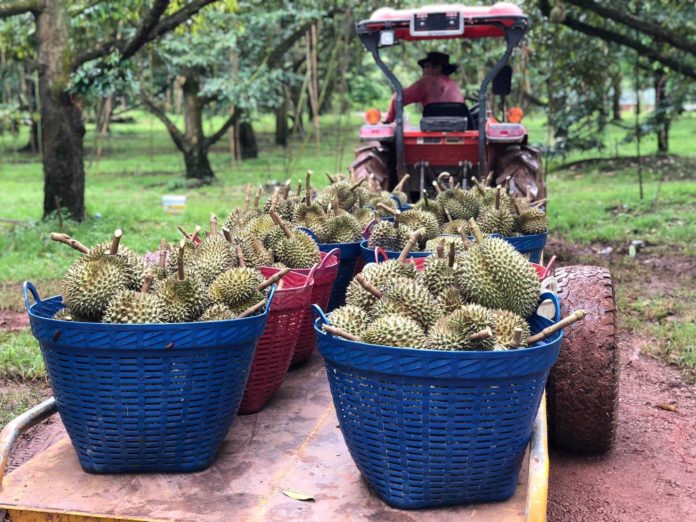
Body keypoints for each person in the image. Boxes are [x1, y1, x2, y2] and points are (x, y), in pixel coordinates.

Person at [383, 51, 464, 123]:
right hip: (458, 129)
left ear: (438, 68)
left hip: (433, 129)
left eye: (426, 66)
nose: (423, 70)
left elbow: (398, 98)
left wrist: (389, 119)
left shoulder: (427, 82)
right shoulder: (454, 85)